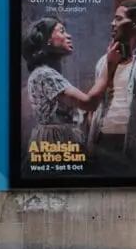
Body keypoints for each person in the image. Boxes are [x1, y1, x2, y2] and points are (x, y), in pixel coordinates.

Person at [20, 16, 121, 170]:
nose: (69, 36)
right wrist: (110, 64)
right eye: (62, 31)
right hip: (55, 142)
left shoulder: (46, 73)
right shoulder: (45, 74)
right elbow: (89, 103)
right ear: (47, 41)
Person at [86, 2, 136, 177]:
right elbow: (95, 106)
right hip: (102, 143)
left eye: (118, 19)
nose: (112, 24)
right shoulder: (104, 61)